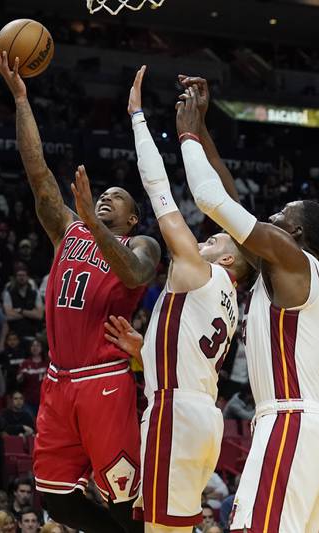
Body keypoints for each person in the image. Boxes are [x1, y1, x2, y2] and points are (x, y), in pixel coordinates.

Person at [0, 51, 161, 533]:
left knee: (120, 498)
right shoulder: (69, 230)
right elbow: (38, 173)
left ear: (131, 217)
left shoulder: (140, 242)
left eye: (117, 198)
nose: (106, 196)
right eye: (101, 195)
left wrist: (95, 224)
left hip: (105, 379)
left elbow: (133, 275)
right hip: (57, 379)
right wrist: (22, 100)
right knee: (52, 496)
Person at [175, 75, 319, 532]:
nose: (268, 220)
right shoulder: (279, 269)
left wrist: (186, 134)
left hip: (291, 418)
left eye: (279, 218)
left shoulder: (293, 259)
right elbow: (230, 199)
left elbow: (211, 200)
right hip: (297, 420)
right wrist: (205, 127)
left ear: (298, 235)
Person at [101, 66, 250, 533]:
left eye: (221, 241)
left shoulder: (198, 270)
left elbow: (159, 192)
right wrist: (145, 352)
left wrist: (138, 119)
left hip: (175, 413)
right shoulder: (228, 297)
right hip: (199, 414)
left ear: (230, 262)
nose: (211, 238)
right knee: (167, 523)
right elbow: (191, 358)